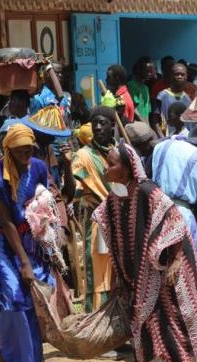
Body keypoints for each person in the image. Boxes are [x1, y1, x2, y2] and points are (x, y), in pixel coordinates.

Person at [93, 142, 197, 362]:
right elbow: (108, 222)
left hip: (167, 268)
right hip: (141, 275)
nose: (106, 168)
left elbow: (175, 222)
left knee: (170, 319)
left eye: (111, 164)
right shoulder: (115, 197)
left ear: (128, 167)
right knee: (150, 322)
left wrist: (174, 263)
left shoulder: (147, 191)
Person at [0, 123, 53, 362]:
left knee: (32, 302)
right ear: (8, 149)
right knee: (13, 300)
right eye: (20, 149)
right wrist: (24, 262)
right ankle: (8, 356)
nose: (26, 153)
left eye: (29, 148)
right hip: (1, 243)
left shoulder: (38, 167)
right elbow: (6, 222)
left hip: (30, 238)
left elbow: (41, 200)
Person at [63, 106, 116, 313]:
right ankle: (99, 324)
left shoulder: (119, 152)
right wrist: (67, 165)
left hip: (122, 221)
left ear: (113, 126)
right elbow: (70, 191)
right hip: (100, 221)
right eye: (96, 124)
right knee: (100, 274)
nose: (99, 127)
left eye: (104, 123)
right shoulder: (84, 156)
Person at [151, 125, 197, 279]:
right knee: (185, 270)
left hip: (157, 210)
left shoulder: (162, 146)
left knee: (158, 262)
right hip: (183, 215)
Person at [154, 63, 193, 133]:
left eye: (182, 74)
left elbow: (190, 123)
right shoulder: (162, 96)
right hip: (167, 137)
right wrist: (161, 137)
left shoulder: (187, 98)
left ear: (186, 77)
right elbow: (155, 121)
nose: (180, 77)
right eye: (177, 74)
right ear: (171, 76)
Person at [127, 56, 154, 121]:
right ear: (139, 70)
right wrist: (144, 124)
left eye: (151, 71)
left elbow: (147, 112)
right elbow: (134, 108)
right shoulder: (131, 85)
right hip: (137, 124)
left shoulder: (146, 88)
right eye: (147, 71)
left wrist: (148, 126)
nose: (150, 74)